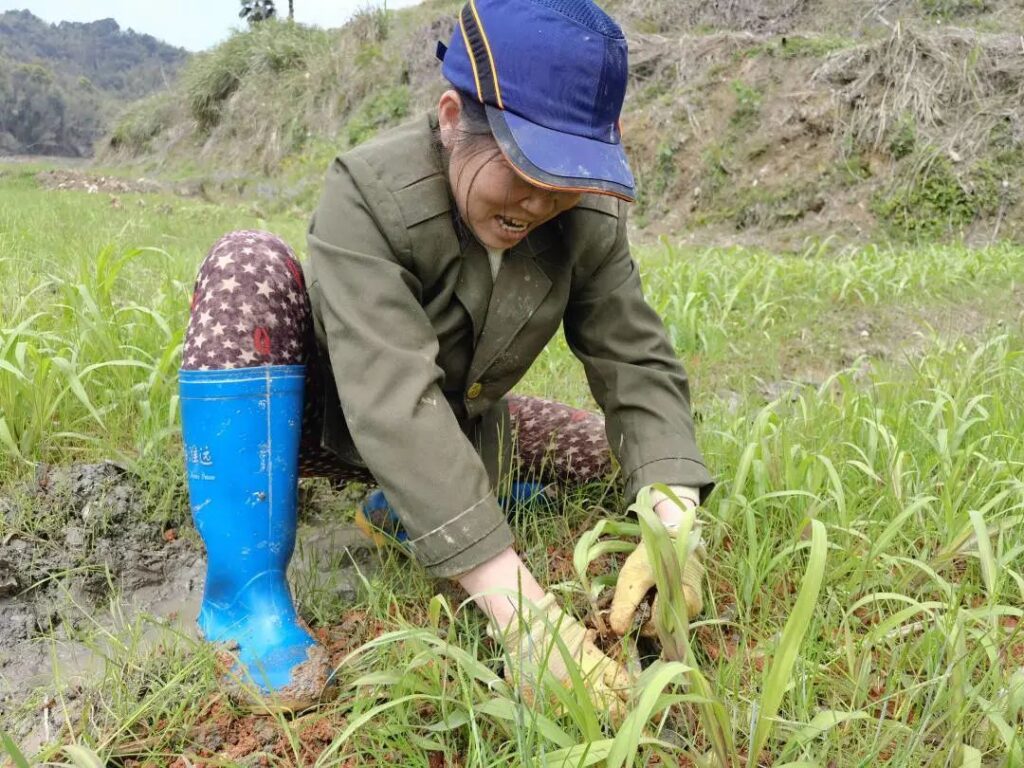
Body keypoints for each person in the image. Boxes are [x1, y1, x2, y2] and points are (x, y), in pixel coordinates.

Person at [178, 0, 714, 717]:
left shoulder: (585, 216)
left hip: (458, 420)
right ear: (452, 117)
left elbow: (634, 357)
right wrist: (527, 621)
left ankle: (405, 513)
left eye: (567, 176)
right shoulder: (367, 194)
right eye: (523, 168)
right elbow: (393, 398)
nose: (540, 201)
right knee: (247, 264)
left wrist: (673, 521)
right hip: (320, 417)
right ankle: (243, 599)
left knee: (611, 457)